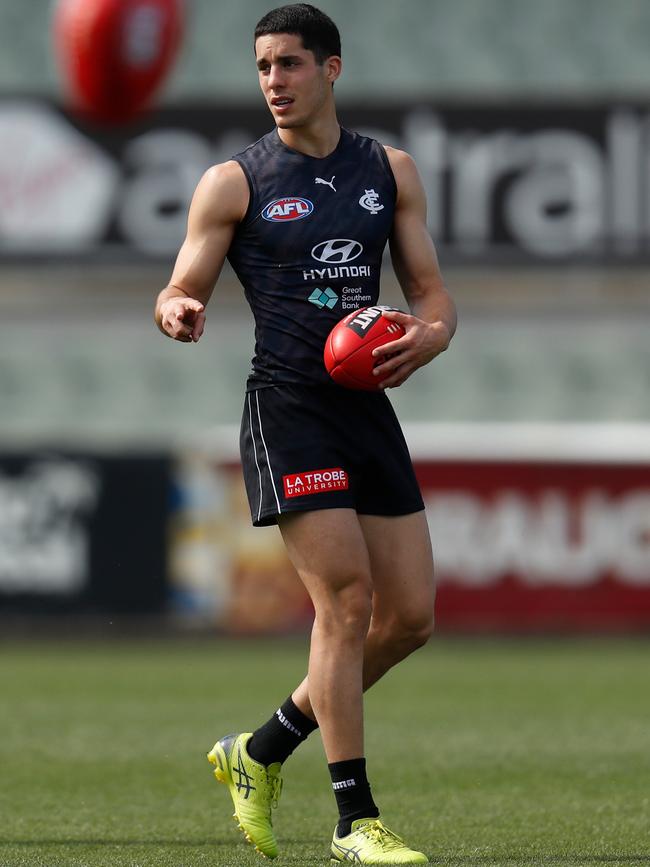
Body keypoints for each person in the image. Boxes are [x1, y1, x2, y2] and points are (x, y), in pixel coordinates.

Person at [154, 4, 457, 863]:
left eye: (289, 64)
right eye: (262, 67)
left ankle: (258, 750)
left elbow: (431, 292)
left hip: (366, 407)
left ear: (331, 69)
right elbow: (182, 283)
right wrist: (178, 305)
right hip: (286, 407)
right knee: (348, 602)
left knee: (409, 618)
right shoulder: (234, 181)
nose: (274, 82)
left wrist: (430, 335)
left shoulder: (388, 171)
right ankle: (354, 821)